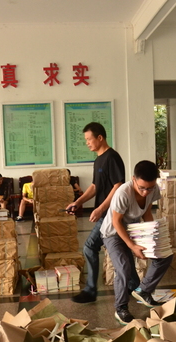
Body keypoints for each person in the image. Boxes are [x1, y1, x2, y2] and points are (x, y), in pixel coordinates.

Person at [101, 160, 173, 325]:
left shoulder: (153, 190)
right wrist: (132, 246)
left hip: (135, 230)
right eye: (141, 188)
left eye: (149, 188)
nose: (146, 192)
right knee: (124, 267)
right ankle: (121, 308)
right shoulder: (123, 193)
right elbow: (116, 222)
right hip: (113, 233)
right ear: (133, 179)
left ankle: (143, 290)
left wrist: (152, 236)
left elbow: (146, 212)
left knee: (165, 256)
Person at [67, 122, 130, 304]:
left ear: (100, 138)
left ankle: (90, 290)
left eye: (89, 139)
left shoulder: (112, 157)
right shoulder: (98, 160)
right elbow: (95, 186)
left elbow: (118, 186)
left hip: (113, 213)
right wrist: (78, 202)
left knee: (90, 247)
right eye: (86, 139)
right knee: (122, 251)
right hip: (106, 213)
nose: (87, 143)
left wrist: (101, 208)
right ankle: (134, 286)